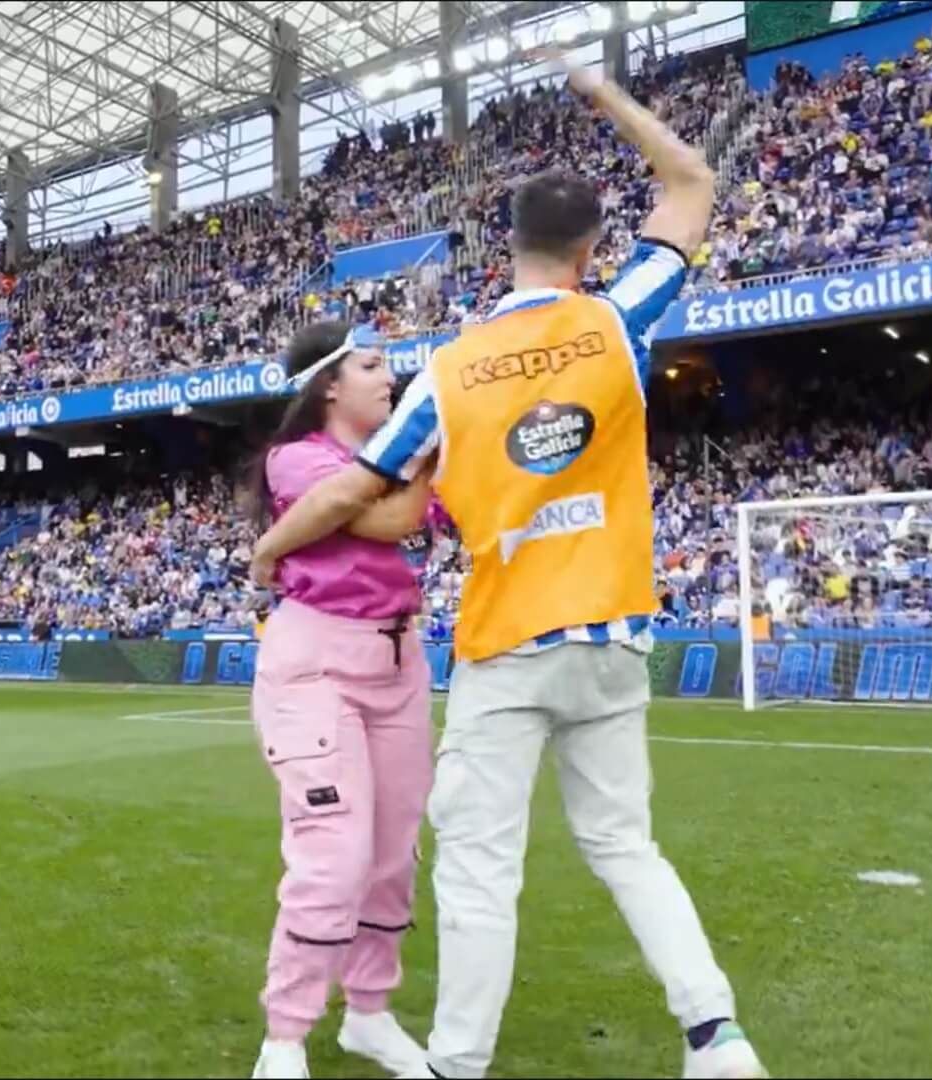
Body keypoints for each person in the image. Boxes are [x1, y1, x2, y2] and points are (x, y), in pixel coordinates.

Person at [250, 49, 766, 1080]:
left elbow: (359, 490)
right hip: (614, 632)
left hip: (504, 642)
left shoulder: (449, 366)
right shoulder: (616, 322)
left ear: (512, 245)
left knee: (481, 867)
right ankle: (716, 1035)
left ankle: (459, 1059)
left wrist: (268, 549)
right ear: (587, 250)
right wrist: (597, 89)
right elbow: (694, 183)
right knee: (627, 845)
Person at [245, 321, 440, 1080]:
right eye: (372, 364)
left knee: (392, 856)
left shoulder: (389, 459)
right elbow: (392, 518)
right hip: (317, 662)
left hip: (399, 660)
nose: (388, 376)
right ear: (329, 383)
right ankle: (284, 1037)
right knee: (334, 855)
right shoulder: (296, 458)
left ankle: (368, 1015)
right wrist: (429, 448)